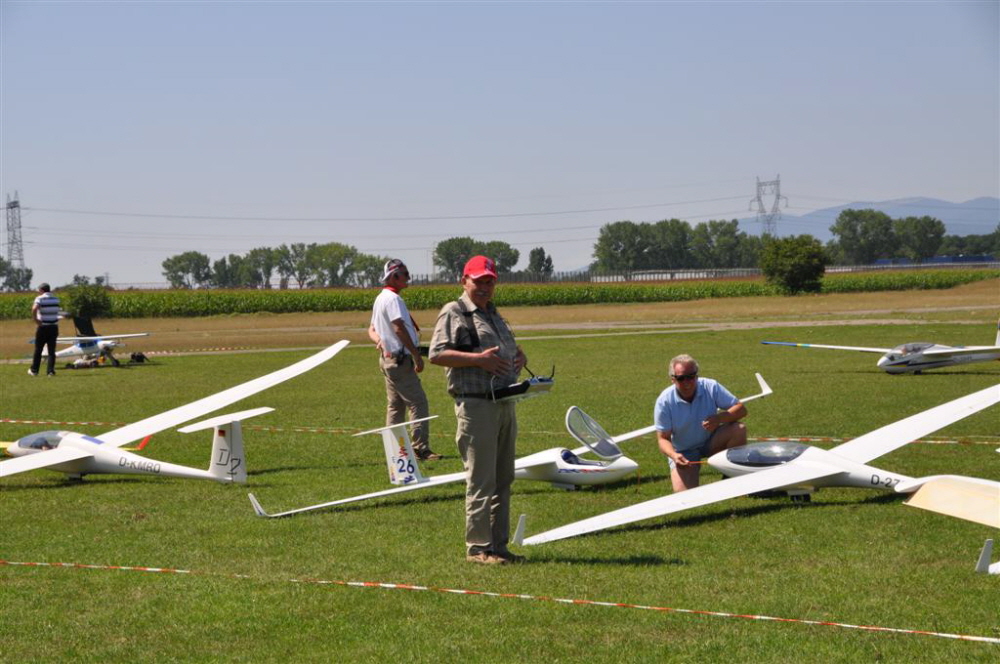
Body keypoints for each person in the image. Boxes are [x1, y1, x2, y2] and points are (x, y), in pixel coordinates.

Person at [430, 255, 527, 565]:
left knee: (503, 478)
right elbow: (437, 354)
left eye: (490, 281)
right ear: (464, 281)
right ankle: (477, 549)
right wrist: (478, 360)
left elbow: (505, 348)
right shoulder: (454, 311)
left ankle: (499, 546)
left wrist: (518, 357)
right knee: (481, 479)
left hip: (504, 403)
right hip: (476, 404)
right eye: (479, 281)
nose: (485, 287)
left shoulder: (494, 313)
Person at [368, 259, 440, 461]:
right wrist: (416, 356)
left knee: (395, 406)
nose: (408, 277)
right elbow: (398, 327)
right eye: (405, 273)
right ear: (394, 276)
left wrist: (380, 341)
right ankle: (420, 449)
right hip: (400, 361)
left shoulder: (381, 298)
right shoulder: (392, 299)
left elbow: (371, 330)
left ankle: (395, 451)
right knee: (418, 403)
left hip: (388, 360)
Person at [654, 354, 747, 492]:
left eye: (691, 377)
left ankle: (731, 477)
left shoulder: (710, 386)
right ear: (672, 379)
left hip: (711, 442)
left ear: (697, 376)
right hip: (684, 453)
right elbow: (663, 439)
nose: (687, 383)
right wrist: (674, 456)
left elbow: (741, 410)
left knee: (739, 429)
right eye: (681, 378)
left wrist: (719, 418)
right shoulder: (664, 401)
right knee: (685, 496)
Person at [29, 283, 61, 377]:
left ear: (42, 290)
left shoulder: (39, 298)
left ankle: (34, 370)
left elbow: (34, 309)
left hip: (43, 326)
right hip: (54, 327)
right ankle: (50, 371)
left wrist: (36, 320)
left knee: (38, 349)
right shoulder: (56, 299)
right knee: (52, 350)